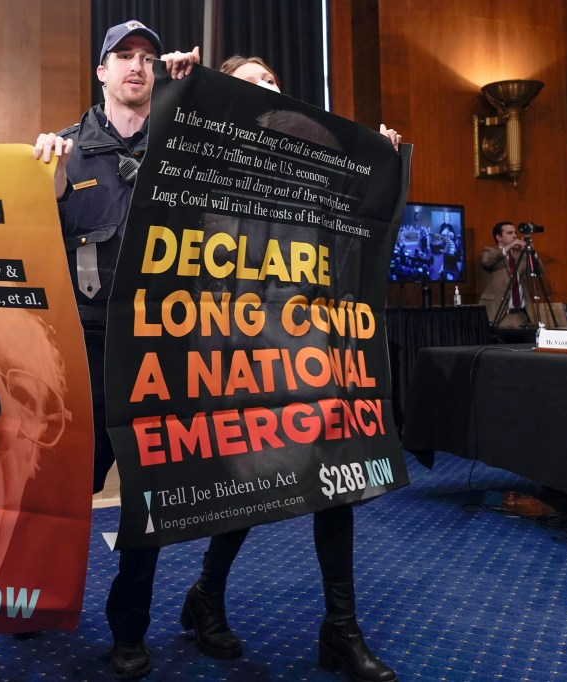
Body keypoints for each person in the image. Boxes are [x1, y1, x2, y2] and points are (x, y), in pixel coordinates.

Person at [169, 54, 400, 682]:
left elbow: (364, 242)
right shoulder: (204, 162)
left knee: (337, 478)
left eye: (272, 82)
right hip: (234, 350)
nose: (266, 89)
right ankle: (207, 595)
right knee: (247, 485)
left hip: (309, 342)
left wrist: (378, 163)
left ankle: (341, 629)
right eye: (248, 83)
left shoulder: (317, 168)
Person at [31, 20, 199, 681]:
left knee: (147, 506)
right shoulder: (62, 153)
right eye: (123, 57)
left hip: (160, 349)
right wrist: (38, 176)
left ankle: (130, 629)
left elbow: (263, 149)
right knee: (59, 494)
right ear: (100, 71)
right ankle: (37, 598)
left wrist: (200, 88)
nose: (137, 66)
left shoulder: (183, 149)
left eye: (148, 58)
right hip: (83, 350)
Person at [478, 221, 531, 329]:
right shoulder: (488, 252)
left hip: (520, 316)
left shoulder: (519, 257)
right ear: (498, 237)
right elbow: (486, 261)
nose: (515, 236)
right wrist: (508, 248)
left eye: (515, 233)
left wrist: (532, 253)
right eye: (510, 233)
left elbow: (538, 272)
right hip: (498, 315)